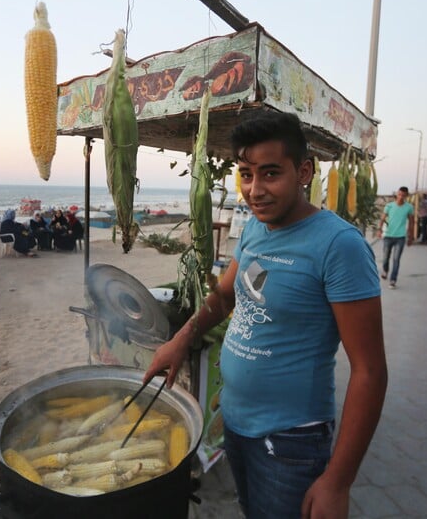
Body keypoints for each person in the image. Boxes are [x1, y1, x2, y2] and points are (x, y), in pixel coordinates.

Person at [144, 112, 387, 519]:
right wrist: (181, 339)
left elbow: (370, 372)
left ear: (304, 171)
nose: (255, 190)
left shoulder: (338, 246)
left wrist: (339, 481)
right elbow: (223, 297)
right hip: (236, 424)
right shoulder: (256, 228)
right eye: (245, 175)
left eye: (271, 174)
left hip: (291, 441)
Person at [376, 186, 415, 289]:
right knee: (385, 258)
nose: (400, 197)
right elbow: (382, 218)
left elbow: (411, 222)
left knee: (396, 259)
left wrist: (411, 236)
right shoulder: (389, 206)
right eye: (399, 194)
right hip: (388, 235)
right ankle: (385, 270)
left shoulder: (409, 207)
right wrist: (379, 230)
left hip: (400, 237)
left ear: (406, 196)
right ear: (397, 194)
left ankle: (393, 280)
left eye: (403, 195)